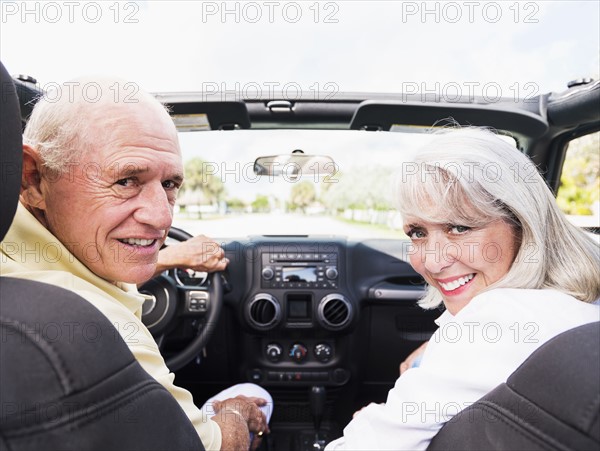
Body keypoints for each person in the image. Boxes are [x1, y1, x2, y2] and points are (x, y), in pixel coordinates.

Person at [0, 78, 270, 451]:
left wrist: (172, 257)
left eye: (171, 184)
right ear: (33, 178)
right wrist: (236, 412)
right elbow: (215, 446)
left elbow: (93, 265)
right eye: (126, 180)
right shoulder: (100, 323)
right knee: (256, 395)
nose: (162, 218)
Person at [326, 127, 600, 450]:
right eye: (417, 233)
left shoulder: (495, 323)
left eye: (459, 227)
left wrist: (370, 418)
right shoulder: (570, 302)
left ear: (522, 224)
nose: (433, 261)